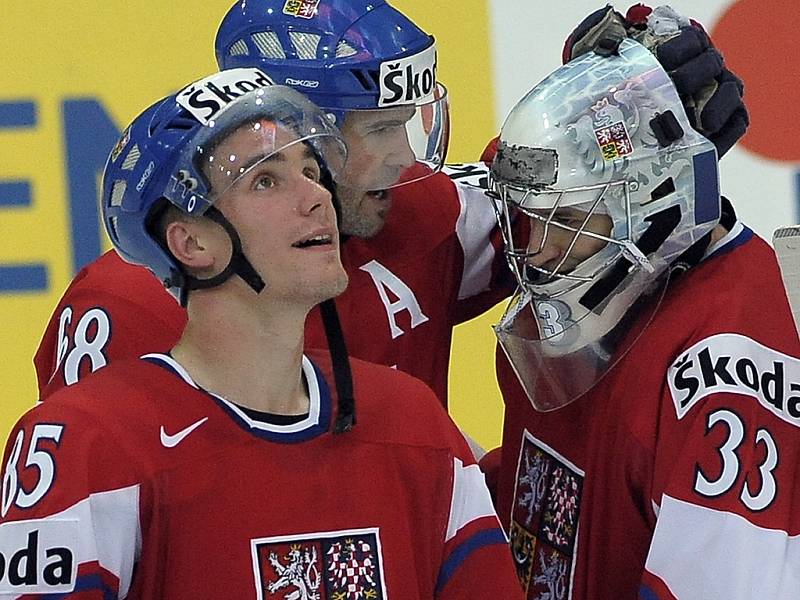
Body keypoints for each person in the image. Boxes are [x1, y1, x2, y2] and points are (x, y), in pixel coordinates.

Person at [32, 2, 746, 418]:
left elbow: (564, 213)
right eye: (378, 129)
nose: (406, 158)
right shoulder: (123, 307)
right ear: (289, 128)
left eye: (410, 122)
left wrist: (609, 114)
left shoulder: (416, 217)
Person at [0, 71, 522, 599]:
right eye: (266, 180)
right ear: (191, 244)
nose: (318, 197)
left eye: (313, 170)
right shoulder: (84, 445)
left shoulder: (412, 420)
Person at [487, 24, 800, 600]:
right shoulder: (589, 292)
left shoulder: (726, 368)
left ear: (655, 203)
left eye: (565, 221)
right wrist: (595, 97)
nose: (535, 250)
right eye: (529, 219)